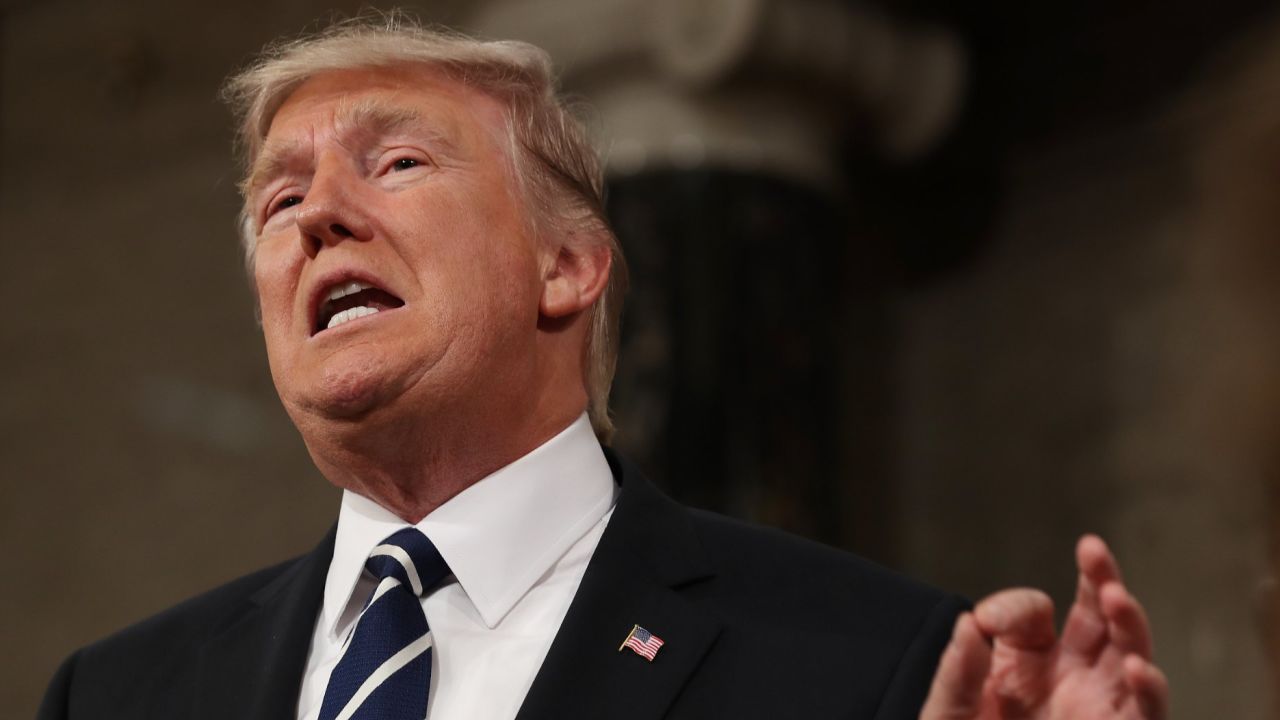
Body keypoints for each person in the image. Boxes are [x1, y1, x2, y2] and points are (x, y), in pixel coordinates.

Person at [36, 16, 1167, 720]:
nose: (319, 215)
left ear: (567, 266)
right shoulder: (122, 695)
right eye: (279, 199)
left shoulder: (868, 662)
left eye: (396, 162)